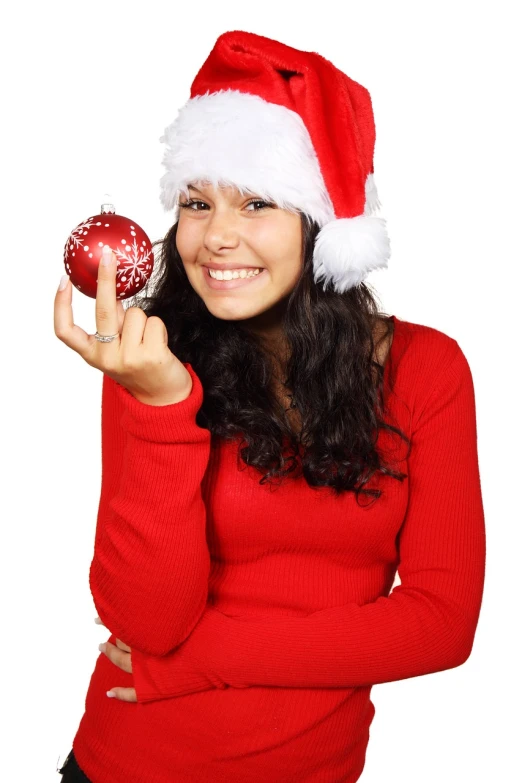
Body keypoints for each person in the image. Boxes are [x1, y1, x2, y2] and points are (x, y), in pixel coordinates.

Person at [54, 29, 486, 783]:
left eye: (256, 201)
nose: (217, 236)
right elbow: (146, 620)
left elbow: (441, 624)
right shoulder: (150, 357)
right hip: (126, 762)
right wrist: (160, 409)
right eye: (196, 202)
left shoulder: (429, 369)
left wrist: (196, 660)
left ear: (322, 225)